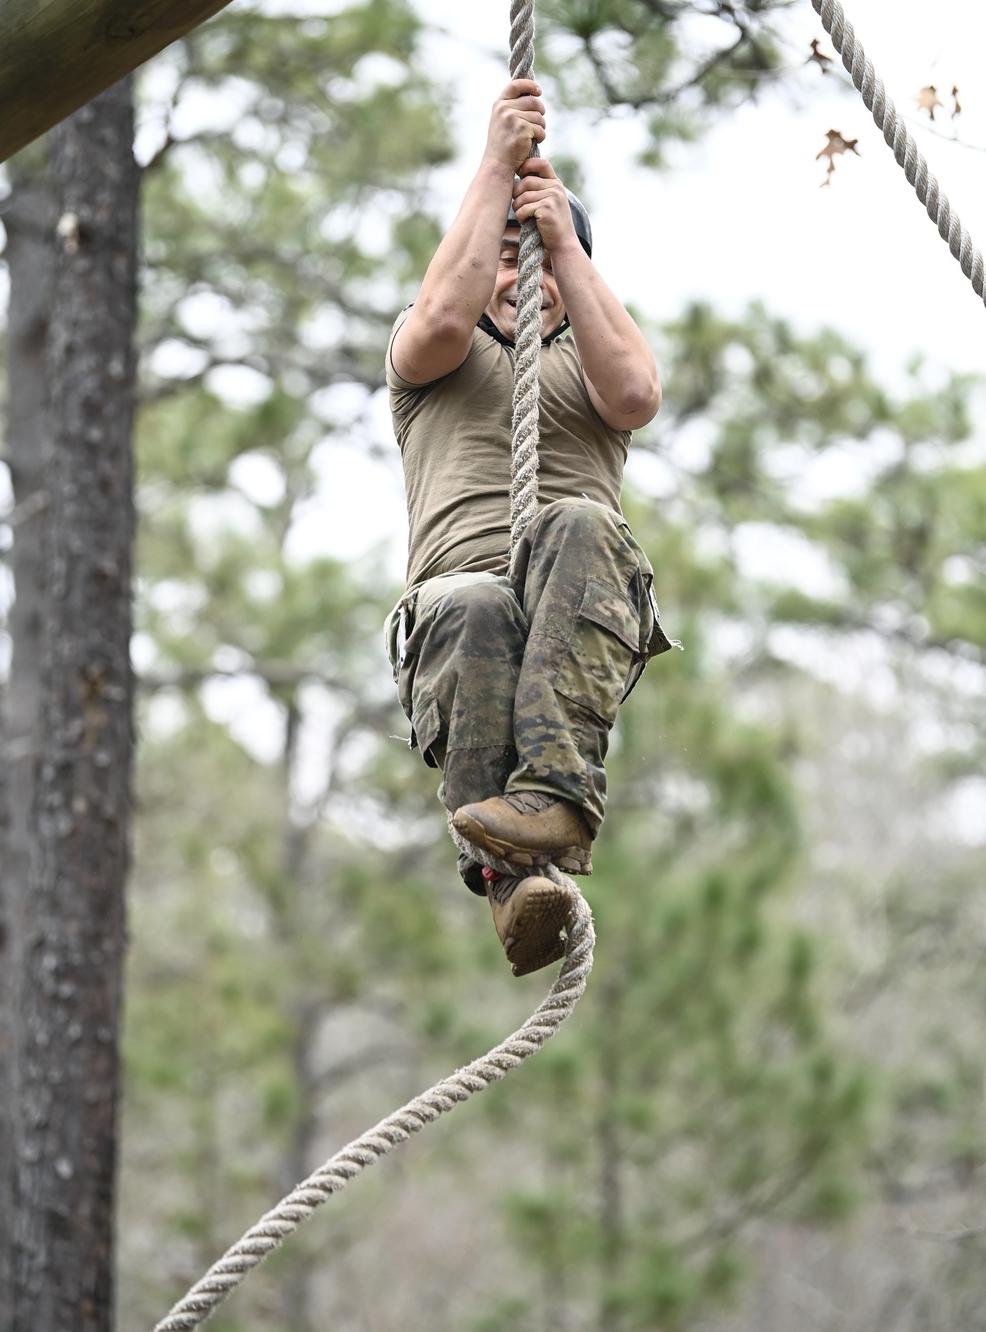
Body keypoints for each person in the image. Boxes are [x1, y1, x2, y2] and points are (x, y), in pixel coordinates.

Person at [384, 79, 671, 977]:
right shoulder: (436, 353)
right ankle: (516, 889)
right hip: (457, 612)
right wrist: (496, 168)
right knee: (471, 602)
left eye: (537, 258)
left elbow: (638, 396)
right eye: (505, 257)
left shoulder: (591, 362)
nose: (521, 276)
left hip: (575, 608)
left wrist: (563, 243)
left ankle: (555, 798)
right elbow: (440, 311)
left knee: (576, 519)